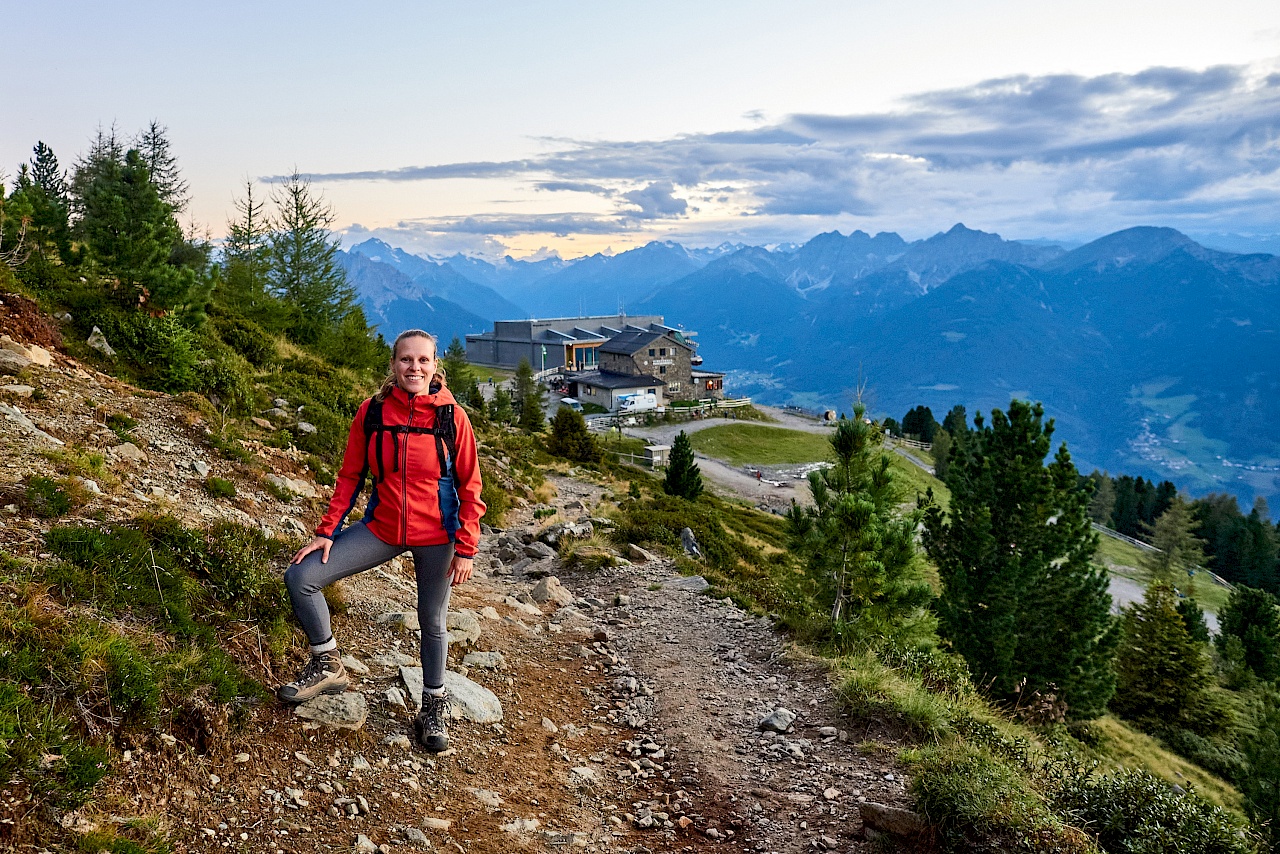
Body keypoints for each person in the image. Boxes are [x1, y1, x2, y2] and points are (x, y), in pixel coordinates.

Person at [277, 329, 485, 753]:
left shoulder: (451, 417)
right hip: (383, 529)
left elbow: (470, 487)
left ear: (434, 365)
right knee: (301, 576)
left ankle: (433, 704)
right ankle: (327, 662)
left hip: (438, 536)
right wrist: (326, 532)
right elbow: (350, 476)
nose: (415, 368)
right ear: (393, 365)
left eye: (423, 361)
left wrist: (466, 547)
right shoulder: (372, 413)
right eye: (406, 360)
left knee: (432, 620)